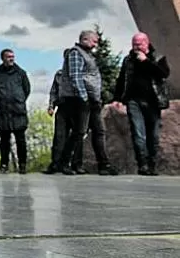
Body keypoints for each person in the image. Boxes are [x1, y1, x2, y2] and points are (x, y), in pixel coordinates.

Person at [54, 30, 117, 175]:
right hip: (81, 100)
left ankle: (104, 164)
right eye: (94, 41)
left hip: (93, 100)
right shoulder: (76, 53)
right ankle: (65, 162)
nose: (96, 44)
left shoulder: (89, 55)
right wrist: (84, 97)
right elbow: (75, 77)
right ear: (85, 39)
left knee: (99, 131)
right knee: (79, 132)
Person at [113, 32, 171, 175]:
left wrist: (146, 61)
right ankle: (142, 164)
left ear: (147, 43)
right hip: (134, 100)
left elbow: (163, 74)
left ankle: (152, 164)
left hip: (153, 101)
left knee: (154, 135)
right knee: (139, 133)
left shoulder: (158, 58)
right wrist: (117, 98)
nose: (136, 47)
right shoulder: (128, 60)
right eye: (134, 44)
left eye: (139, 44)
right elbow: (121, 79)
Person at [0, 49, 31, 174]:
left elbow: (26, 90)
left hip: (18, 112)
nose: (11, 59)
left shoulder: (21, 73)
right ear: (2, 58)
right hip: (3, 112)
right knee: (4, 140)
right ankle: (4, 165)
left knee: (21, 140)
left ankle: (22, 165)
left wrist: (18, 100)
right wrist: (3, 100)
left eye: (12, 56)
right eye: (8, 57)